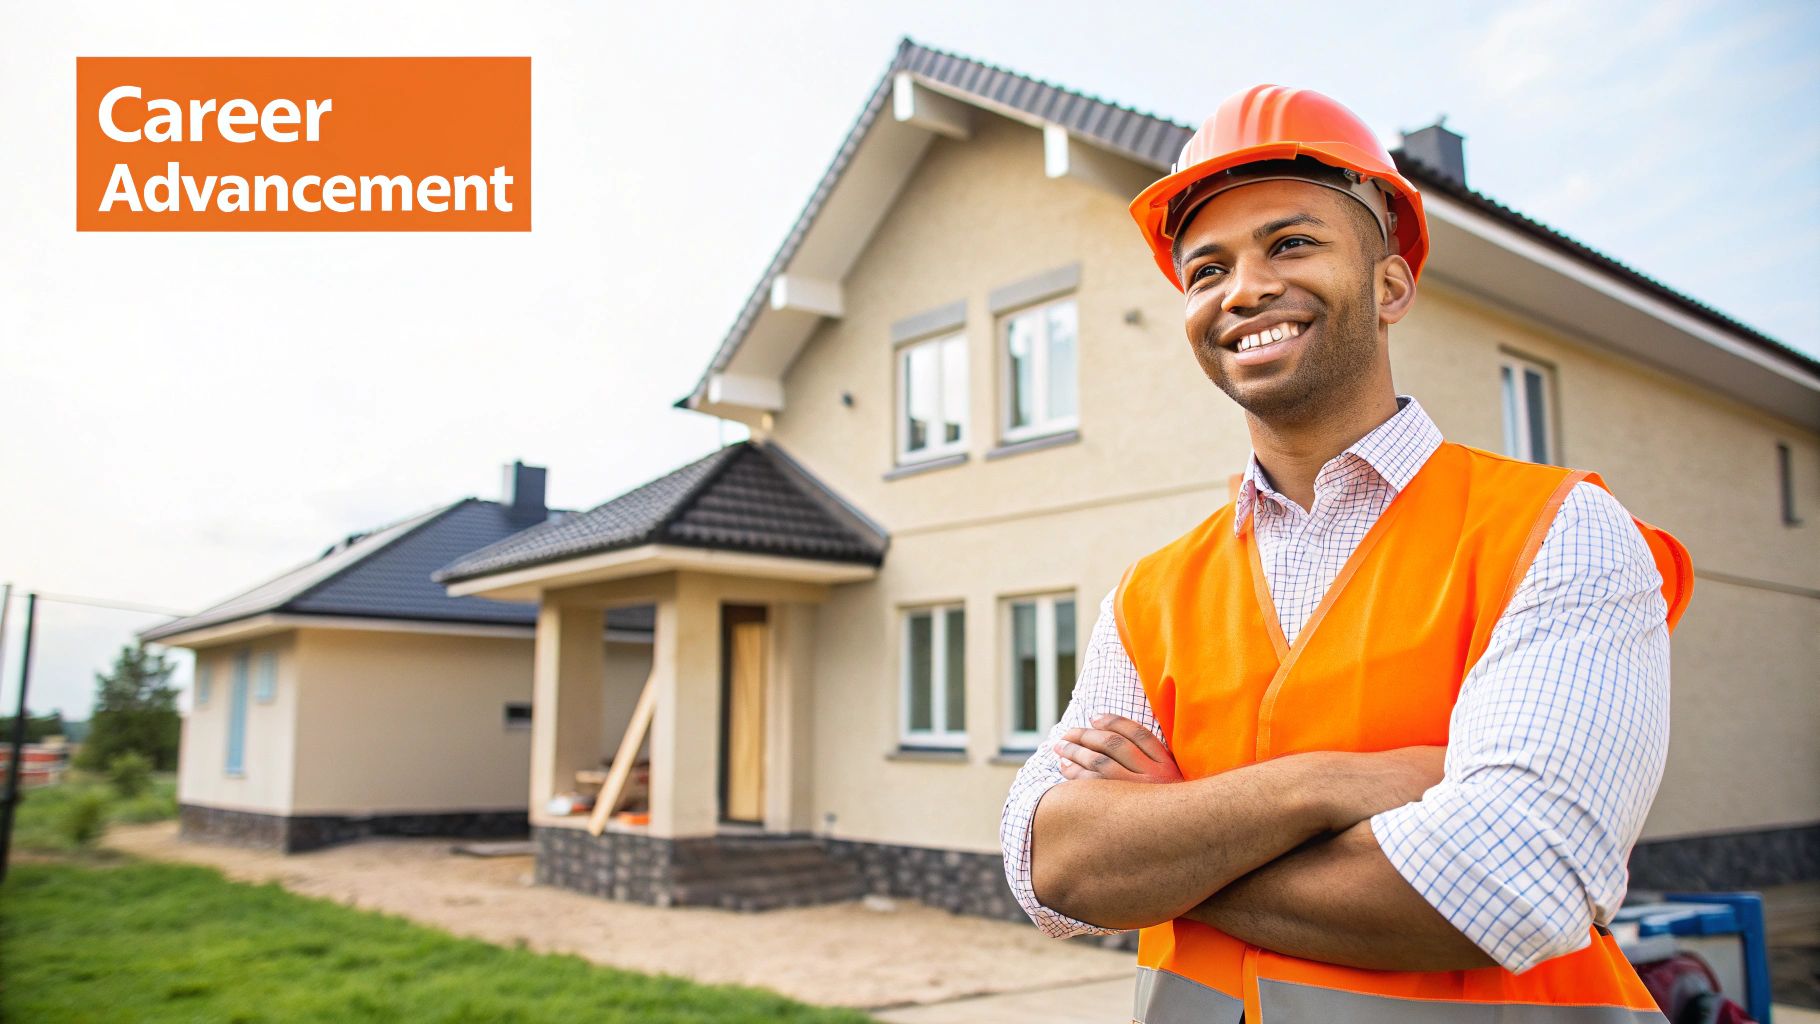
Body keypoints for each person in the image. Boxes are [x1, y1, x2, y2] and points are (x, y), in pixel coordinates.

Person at [999, 84, 1694, 1023]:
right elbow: (1051, 864)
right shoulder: (1150, 594)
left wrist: (1162, 856)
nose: (1242, 289)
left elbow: (1510, 880)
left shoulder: (1555, 530)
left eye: (1290, 244)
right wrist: (1338, 783)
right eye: (1206, 270)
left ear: (1390, 284)